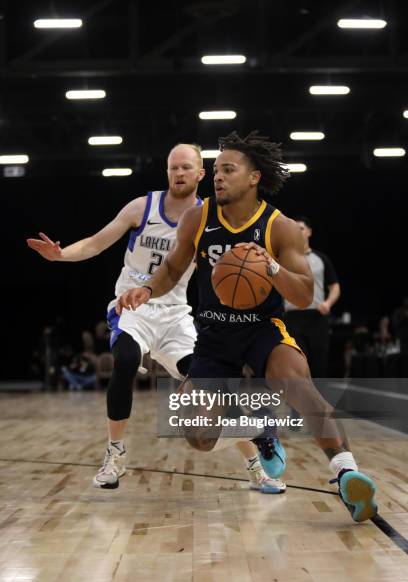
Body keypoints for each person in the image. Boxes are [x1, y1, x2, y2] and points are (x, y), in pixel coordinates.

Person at [117, 131, 378, 523]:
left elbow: (305, 294)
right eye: (216, 170)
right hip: (214, 335)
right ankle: (261, 428)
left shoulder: (279, 226)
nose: (218, 177)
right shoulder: (198, 217)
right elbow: (172, 268)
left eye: (228, 170)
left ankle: (345, 473)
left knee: (298, 386)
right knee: (197, 434)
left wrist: (270, 267)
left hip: (263, 330)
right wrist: (146, 289)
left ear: (254, 177)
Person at [27, 143, 286, 494]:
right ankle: (115, 454)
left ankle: (256, 465)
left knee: (211, 392)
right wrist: (60, 256)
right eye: (172, 167)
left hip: (176, 315)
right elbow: (96, 243)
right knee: (127, 359)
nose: (178, 173)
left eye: (186, 168)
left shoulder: (208, 218)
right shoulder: (141, 207)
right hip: (133, 307)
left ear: (199, 174)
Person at [284, 216, 340, 377]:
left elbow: (335, 287)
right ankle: (296, 401)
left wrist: (328, 303)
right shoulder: (283, 259)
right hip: (292, 318)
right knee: (297, 366)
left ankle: (317, 401)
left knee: (319, 366)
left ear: (309, 232)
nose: (297, 231)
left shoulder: (321, 259)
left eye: (300, 228)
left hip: (317, 317)